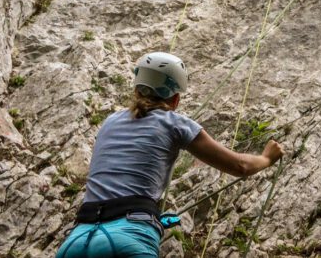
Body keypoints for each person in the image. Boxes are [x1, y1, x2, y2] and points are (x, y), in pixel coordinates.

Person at [56, 52, 284, 258]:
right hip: (129, 237)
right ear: (175, 99)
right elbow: (239, 166)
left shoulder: (109, 122)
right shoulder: (174, 123)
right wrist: (266, 158)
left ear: (136, 89)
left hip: (77, 240)